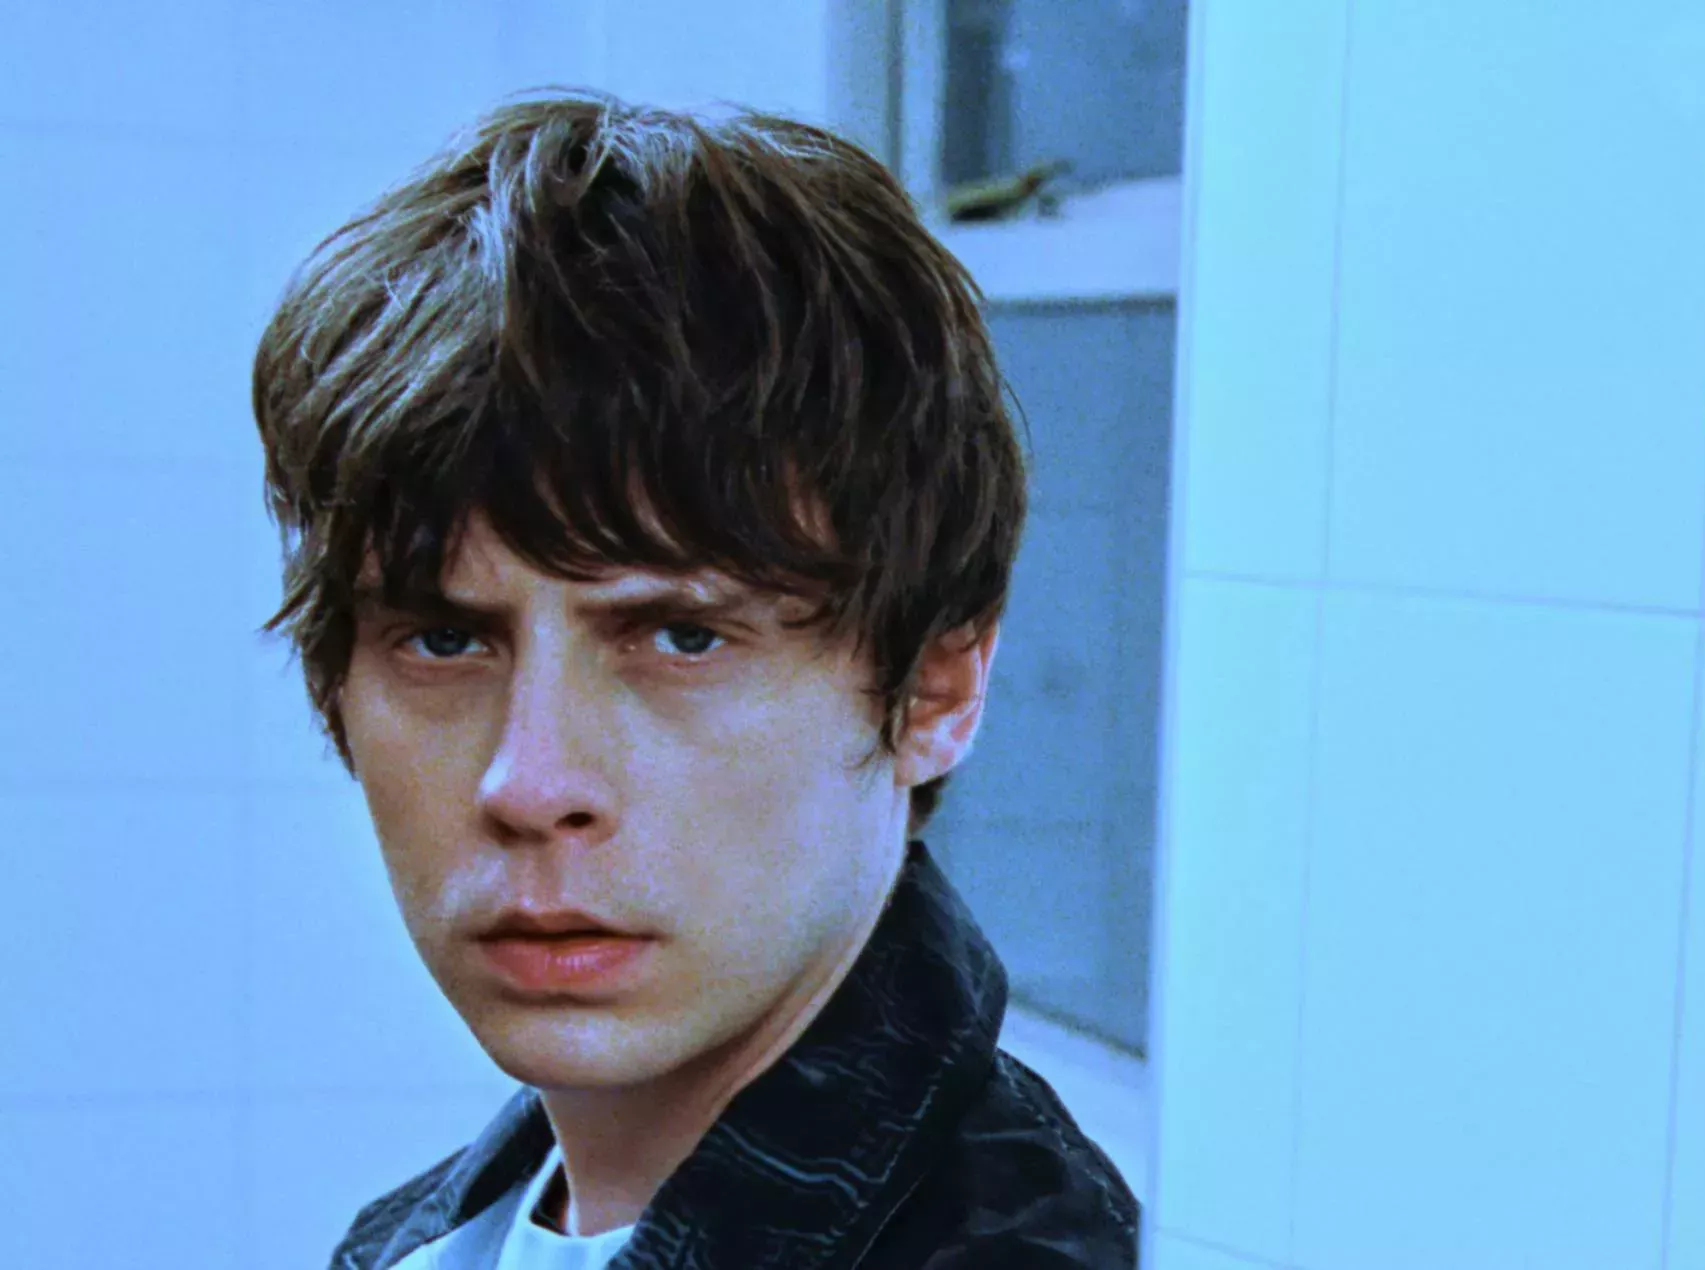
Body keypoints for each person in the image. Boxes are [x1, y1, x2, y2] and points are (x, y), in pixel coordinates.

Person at [251, 88, 1139, 1269]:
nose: (530, 783)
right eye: (446, 641)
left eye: (680, 638)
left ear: (932, 690)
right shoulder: (427, 1240)